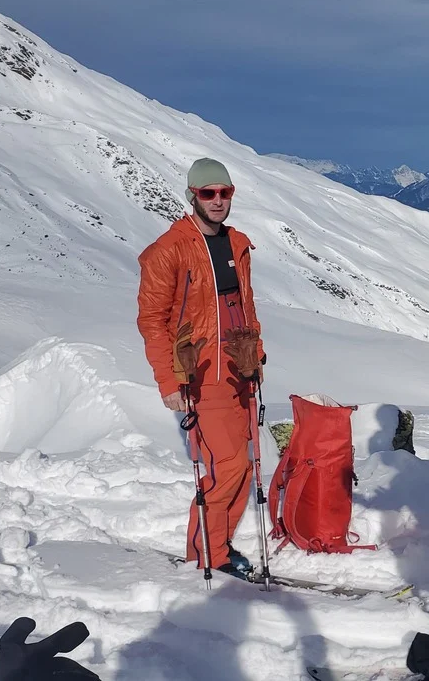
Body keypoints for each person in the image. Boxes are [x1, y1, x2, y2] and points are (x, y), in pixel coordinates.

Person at [136, 157, 266, 578]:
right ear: (192, 195)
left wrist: (255, 354)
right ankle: (207, 556)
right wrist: (168, 380)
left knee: (244, 466)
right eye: (208, 193)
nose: (217, 200)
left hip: (239, 372)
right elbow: (152, 321)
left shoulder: (237, 244)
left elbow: (244, 307)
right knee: (228, 466)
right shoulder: (169, 250)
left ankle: (219, 547)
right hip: (201, 375)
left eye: (225, 192)